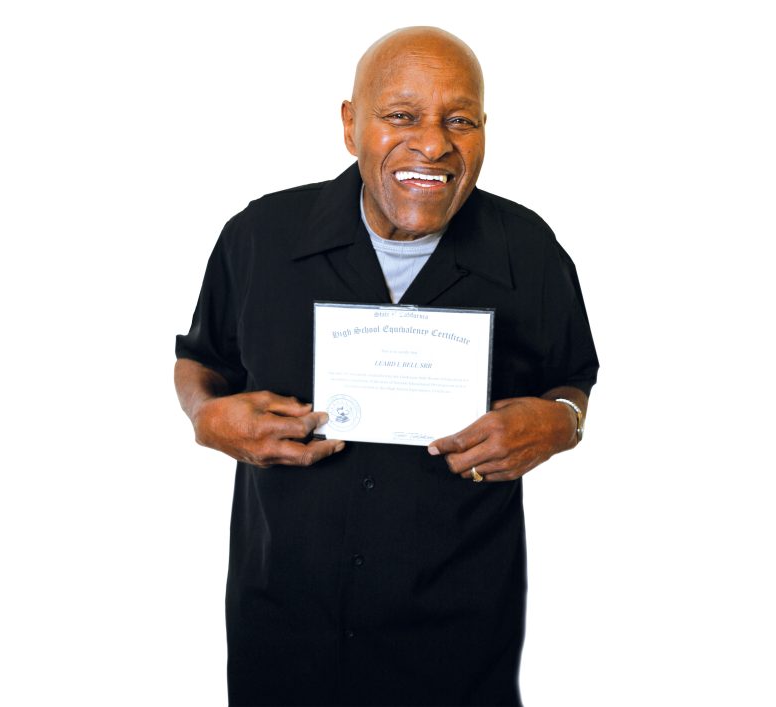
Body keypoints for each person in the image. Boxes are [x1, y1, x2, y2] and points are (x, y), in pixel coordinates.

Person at [174, 26, 599, 706]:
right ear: (350, 124)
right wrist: (205, 416)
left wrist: (562, 422)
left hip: (457, 648)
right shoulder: (259, 238)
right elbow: (199, 360)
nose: (433, 143)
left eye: (459, 120)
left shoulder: (529, 251)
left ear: (485, 128)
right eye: (402, 116)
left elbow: (572, 378)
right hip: (283, 636)